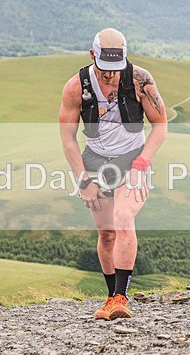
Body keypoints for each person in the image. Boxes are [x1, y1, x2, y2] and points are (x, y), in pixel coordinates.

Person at [59, 28, 167, 320]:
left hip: (133, 159)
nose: (110, 76)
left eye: (115, 69)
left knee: (123, 219)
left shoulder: (141, 80)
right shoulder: (75, 87)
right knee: (106, 234)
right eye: (104, 69)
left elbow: (160, 124)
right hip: (95, 161)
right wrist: (83, 180)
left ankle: (121, 298)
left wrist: (142, 165)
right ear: (93, 56)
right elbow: (68, 138)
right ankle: (110, 298)